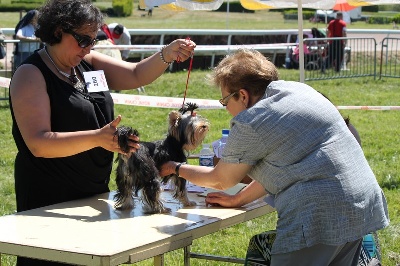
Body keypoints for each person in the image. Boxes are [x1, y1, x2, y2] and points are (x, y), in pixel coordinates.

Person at [160, 49, 389, 266]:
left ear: (242, 95)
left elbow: (221, 179)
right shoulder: (300, 91)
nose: (226, 108)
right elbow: (288, 165)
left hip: (317, 216)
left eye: (225, 101)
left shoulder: (252, 119)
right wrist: (238, 200)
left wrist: (174, 167)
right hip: (360, 205)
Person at [9, 0, 195, 265]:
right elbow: (38, 143)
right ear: (59, 30)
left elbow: (136, 75)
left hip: (92, 190)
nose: (89, 47)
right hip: (48, 196)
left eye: (93, 39)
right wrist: (97, 138)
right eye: (83, 39)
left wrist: (167, 53)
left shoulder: (88, 62)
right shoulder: (30, 74)